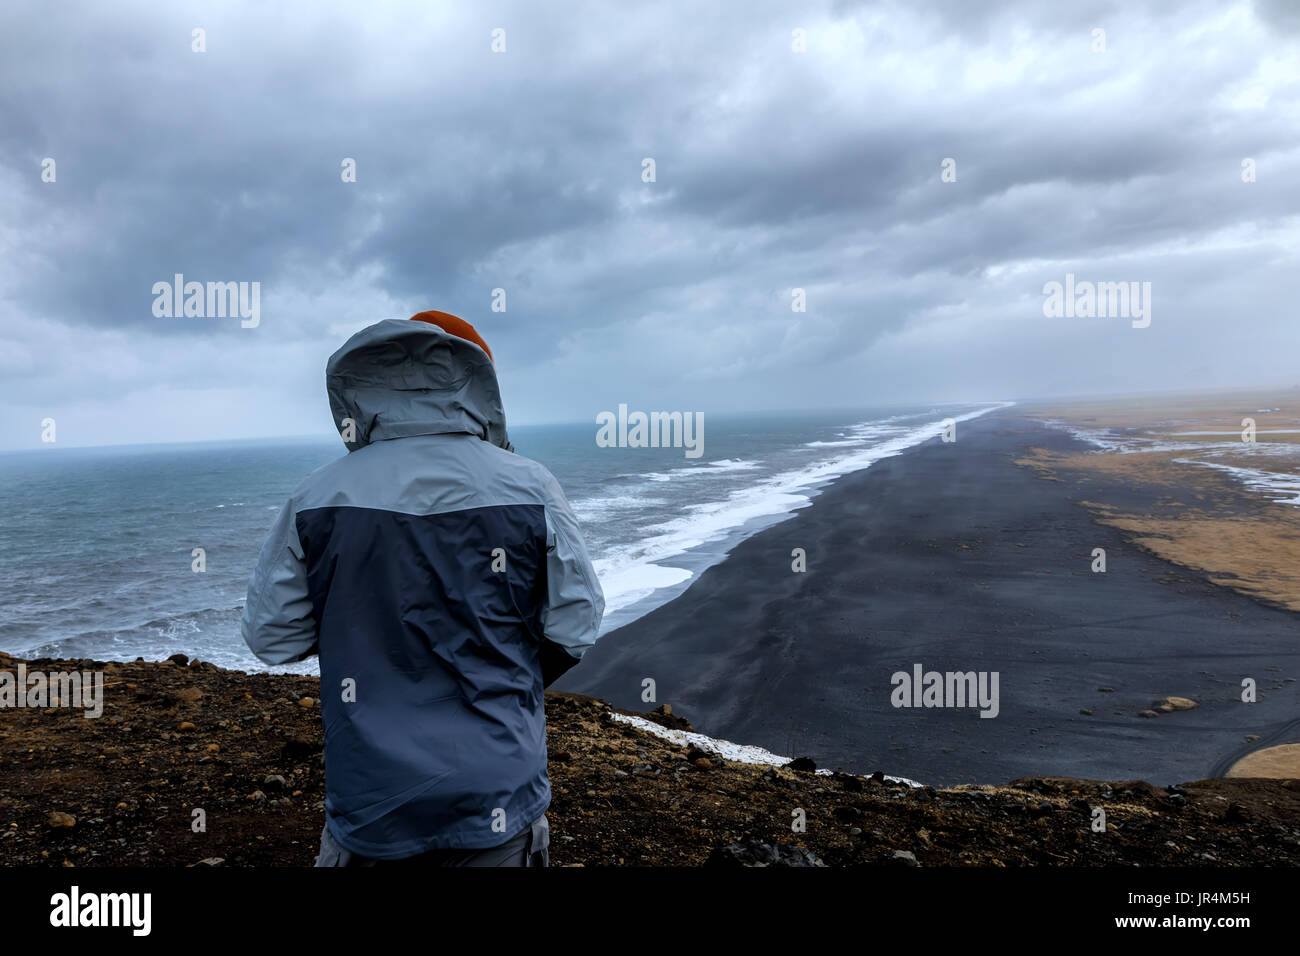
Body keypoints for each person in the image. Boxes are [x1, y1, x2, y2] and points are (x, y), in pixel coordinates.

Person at [240, 310, 605, 867]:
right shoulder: (531, 486)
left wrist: (359, 627)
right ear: (477, 380)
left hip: (372, 795)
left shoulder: (317, 496)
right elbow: (576, 624)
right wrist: (505, 673)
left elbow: (272, 638)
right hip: (498, 786)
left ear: (363, 387)